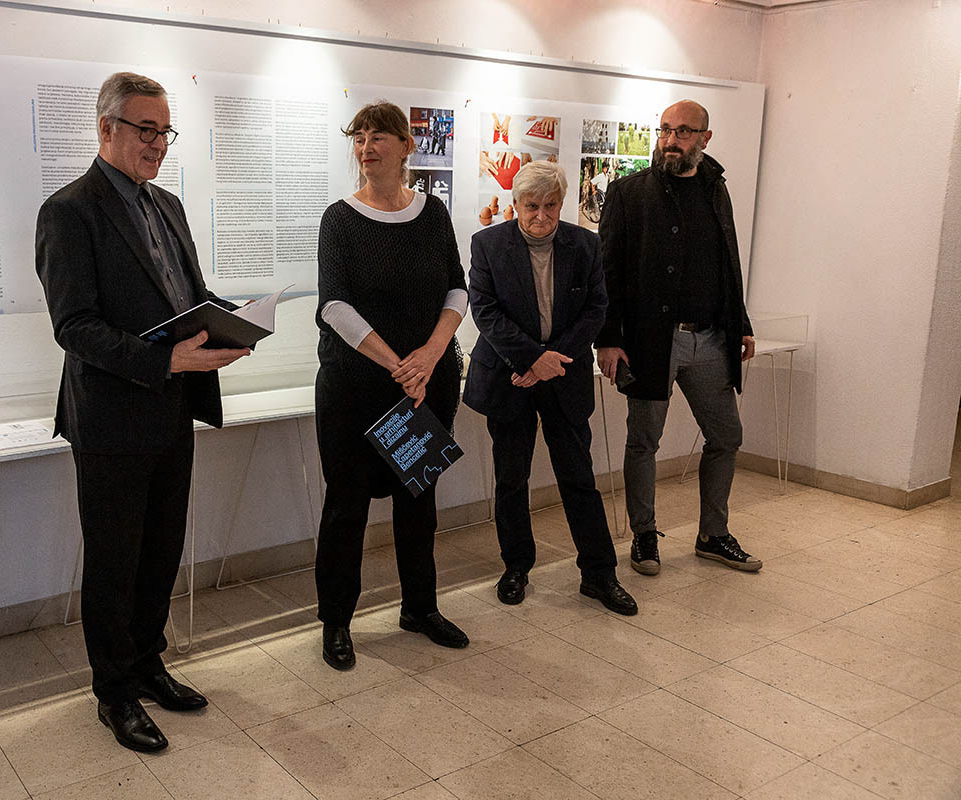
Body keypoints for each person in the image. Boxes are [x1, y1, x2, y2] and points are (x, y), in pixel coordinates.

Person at [35, 72, 250, 753]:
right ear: (107, 129)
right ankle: (115, 691)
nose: (158, 144)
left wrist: (231, 322)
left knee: (161, 550)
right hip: (111, 417)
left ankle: (149, 665)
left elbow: (185, 293)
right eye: (145, 130)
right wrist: (166, 360)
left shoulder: (169, 205)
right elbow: (74, 326)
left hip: (171, 408)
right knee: (115, 561)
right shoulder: (69, 211)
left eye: (165, 131)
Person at [315, 101, 470, 670]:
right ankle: (336, 621)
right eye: (358, 137)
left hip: (423, 386)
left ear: (407, 146)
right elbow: (334, 305)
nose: (366, 147)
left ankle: (420, 608)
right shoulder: (340, 219)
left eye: (379, 136)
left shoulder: (433, 214)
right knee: (346, 507)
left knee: (418, 499)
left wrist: (429, 354)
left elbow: (457, 288)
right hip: (355, 389)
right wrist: (397, 364)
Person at [464, 160, 637, 615]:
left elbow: (596, 309)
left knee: (579, 478)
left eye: (551, 205)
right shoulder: (488, 245)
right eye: (531, 206)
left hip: (563, 376)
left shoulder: (585, 244)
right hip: (510, 378)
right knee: (511, 479)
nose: (541, 216)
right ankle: (516, 567)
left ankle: (599, 574)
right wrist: (530, 360)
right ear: (516, 204)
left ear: (561, 203)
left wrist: (549, 363)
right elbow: (485, 311)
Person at [595, 99, 760, 576]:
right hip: (651, 340)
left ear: (705, 138)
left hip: (710, 339)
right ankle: (644, 535)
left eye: (683, 132)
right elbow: (606, 272)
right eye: (665, 130)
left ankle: (713, 535)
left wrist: (741, 323)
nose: (671, 140)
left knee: (726, 436)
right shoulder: (628, 193)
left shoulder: (715, 189)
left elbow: (727, 263)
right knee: (644, 440)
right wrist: (607, 338)